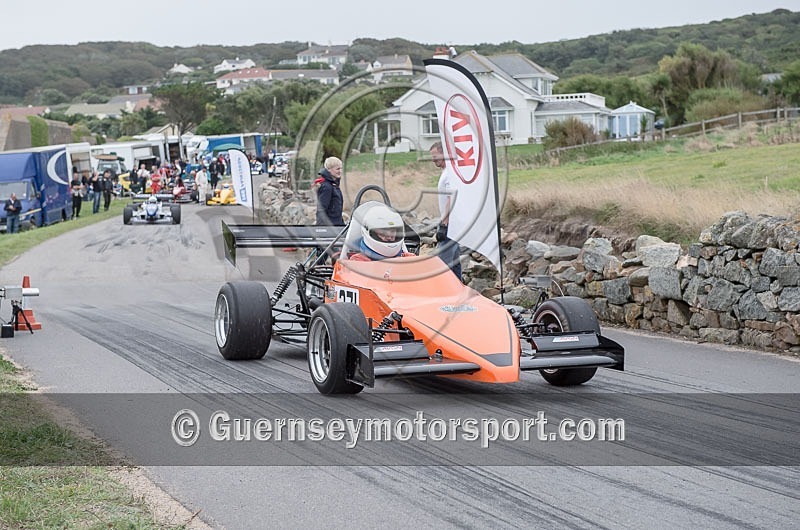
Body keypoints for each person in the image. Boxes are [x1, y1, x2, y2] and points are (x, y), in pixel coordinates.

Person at [430, 142, 462, 280]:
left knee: (443, 266)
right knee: (454, 263)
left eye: (436, 156)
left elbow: (451, 197)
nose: (433, 159)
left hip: (449, 225)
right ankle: (459, 292)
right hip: (453, 224)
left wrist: (444, 224)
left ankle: (444, 296)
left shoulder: (449, 172)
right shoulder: (448, 171)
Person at [346, 203, 413, 261]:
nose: (389, 237)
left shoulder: (409, 259)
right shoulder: (358, 261)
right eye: (383, 233)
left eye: (392, 231)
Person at [315, 156, 344, 226]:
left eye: (341, 168)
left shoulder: (334, 185)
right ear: (329, 170)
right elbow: (321, 210)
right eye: (337, 169)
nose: (340, 171)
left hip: (337, 226)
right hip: (330, 228)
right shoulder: (327, 187)